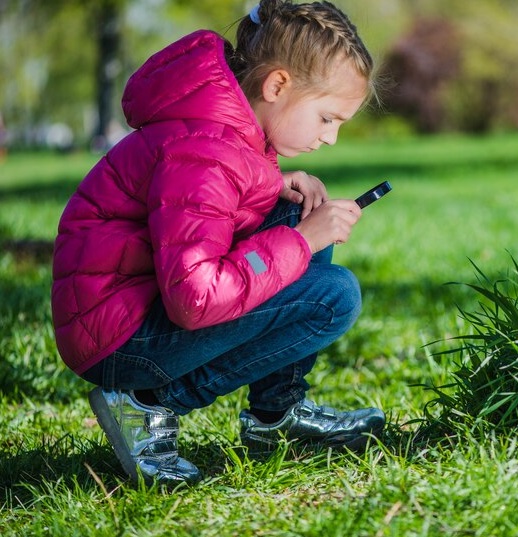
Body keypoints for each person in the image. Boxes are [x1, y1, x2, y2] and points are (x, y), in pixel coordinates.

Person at [51, 0, 385, 487]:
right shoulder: (206, 151)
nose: (330, 138)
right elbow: (194, 298)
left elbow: (213, 213)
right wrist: (298, 242)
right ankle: (146, 403)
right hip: (117, 341)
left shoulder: (226, 134)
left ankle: (276, 415)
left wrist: (279, 195)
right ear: (277, 86)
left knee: (300, 210)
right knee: (334, 296)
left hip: (132, 309)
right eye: (327, 119)